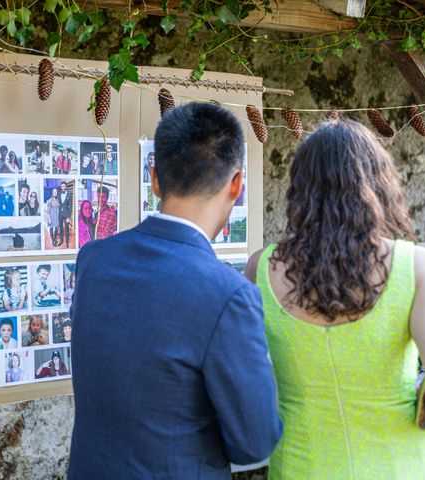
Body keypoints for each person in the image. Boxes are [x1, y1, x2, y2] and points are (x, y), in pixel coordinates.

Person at [244, 120, 425, 480]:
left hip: (302, 466)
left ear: (300, 192)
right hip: (404, 468)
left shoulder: (262, 269)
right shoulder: (416, 268)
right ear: (378, 184)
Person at [68, 103, 282, 480]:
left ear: (154, 178)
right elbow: (255, 441)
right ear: (236, 184)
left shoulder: (94, 261)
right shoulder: (228, 294)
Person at [58, 181, 73, 248]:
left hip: (66, 214)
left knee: (66, 229)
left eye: (64, 186)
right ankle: (61, 241)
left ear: (66, 186)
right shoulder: (58, 194)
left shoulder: (69, 195)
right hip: (60, 214)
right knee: (61, 228)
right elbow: (54, 199)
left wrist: (68, 217)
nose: (63, 187)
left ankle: (67, 242)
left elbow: (70, 207)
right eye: (62, 186)